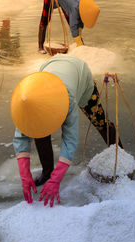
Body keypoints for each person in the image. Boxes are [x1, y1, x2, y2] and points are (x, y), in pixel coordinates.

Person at [11, 56, 122, 207]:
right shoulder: (26, 102)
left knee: (99, 121)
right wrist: (25, 175)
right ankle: (47, 171)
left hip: (79, 73)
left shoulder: (68, 98)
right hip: (49, 71)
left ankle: (121, 158)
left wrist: (57, 179)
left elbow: (70, 140)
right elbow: (21, 137)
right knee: (39, 130)